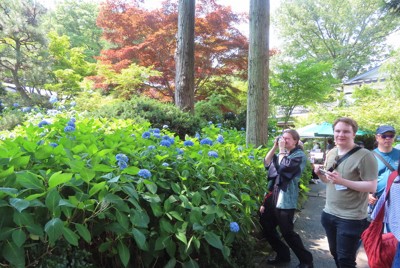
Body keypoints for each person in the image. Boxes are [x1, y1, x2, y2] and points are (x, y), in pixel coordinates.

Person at [314, 117, 378, 268]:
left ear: (353, 134)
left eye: (346, 131)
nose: (341, 134)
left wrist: (343, 181)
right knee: (335, 254)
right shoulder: (331, 152)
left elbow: (372, 186)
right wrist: (320, 174)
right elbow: (328, 181)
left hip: (351, 218)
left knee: (345, 260)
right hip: (329, 213)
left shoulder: (365, 156)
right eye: (337, 131)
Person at [260, 129, 314, 268]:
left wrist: (282, 150)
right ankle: (282, 254)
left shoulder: (299, 155)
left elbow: (284, 169)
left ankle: (306, 260)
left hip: (286, 197)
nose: (284, 140)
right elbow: (267, 163)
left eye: (287, 138)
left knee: (287, 231)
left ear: (295, 141)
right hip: (273, 194)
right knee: (267, 225)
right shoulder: (281, 153)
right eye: (282, 138)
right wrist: (275, 147)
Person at [371, 163, 400, 268]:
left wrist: (374, 219)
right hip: (393, 225)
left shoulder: (394, 177)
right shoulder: (394, 177)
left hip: (393, 225)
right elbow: (384, 198)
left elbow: (383, 199)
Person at [369, 125, 400, 216]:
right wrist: (367, 195)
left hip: (396, 201)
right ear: (377, 137)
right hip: (376, 200)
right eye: (384, 136)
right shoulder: (369, 156)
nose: (388, 138)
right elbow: (361, 178)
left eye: (391, 136)